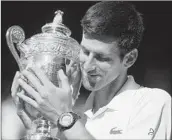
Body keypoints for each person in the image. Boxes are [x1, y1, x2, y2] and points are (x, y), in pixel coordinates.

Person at [11, 1, 171, 139]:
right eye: (85, 51)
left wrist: (64, 118)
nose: (87, 65)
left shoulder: (153, 102)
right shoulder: (75, 113)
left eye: (101, 58)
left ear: (129, 59)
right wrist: (38, 128)